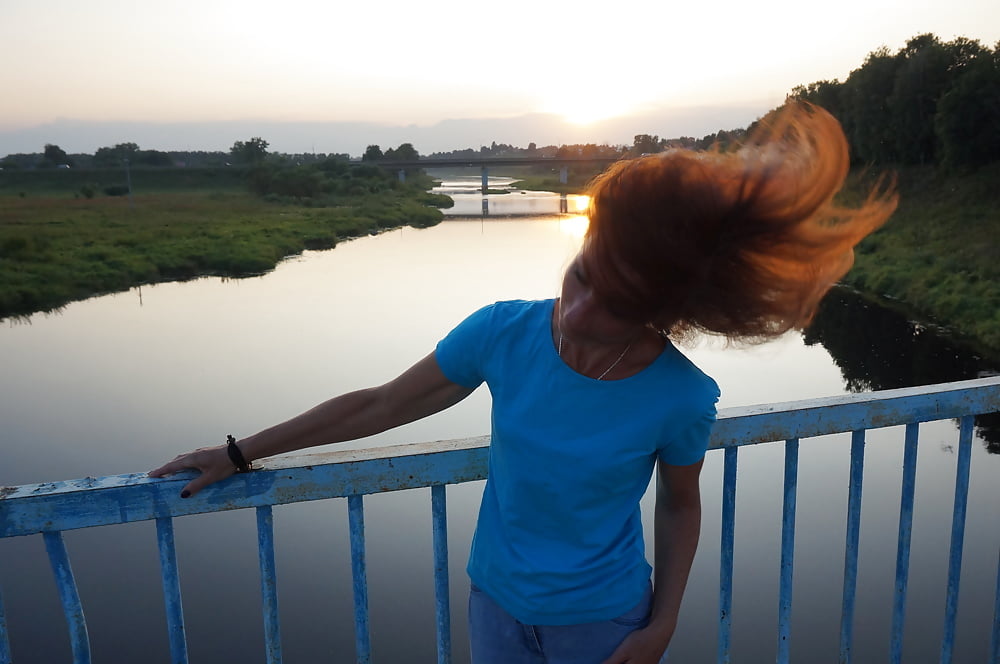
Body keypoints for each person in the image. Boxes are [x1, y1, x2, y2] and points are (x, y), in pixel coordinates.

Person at [150, 101, 897, 664]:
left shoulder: (680, 396)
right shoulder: (505, 332)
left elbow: (679, 507)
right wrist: (239, 452)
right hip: (496, 606)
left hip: (604, 622)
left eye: (615, 305)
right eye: (581, 273)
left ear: (665, 314)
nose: (576, 310)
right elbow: (381, 403)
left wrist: (663, 621)